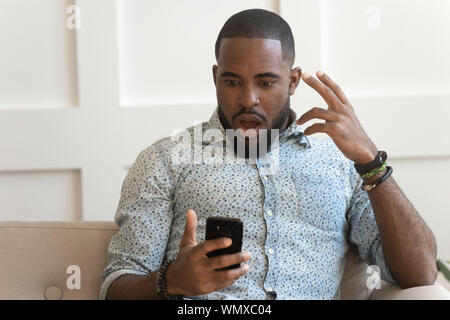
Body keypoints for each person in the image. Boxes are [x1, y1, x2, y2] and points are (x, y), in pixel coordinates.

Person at [100, 8, 437, 300]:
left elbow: (419, 274)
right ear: (216, 78)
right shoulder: (166, 161)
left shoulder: (341, 163)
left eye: (265, 82)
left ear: (292, 82)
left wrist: (370, 161)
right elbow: (115, 286)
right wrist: (169, 281)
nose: (248, 99)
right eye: (232, 82)